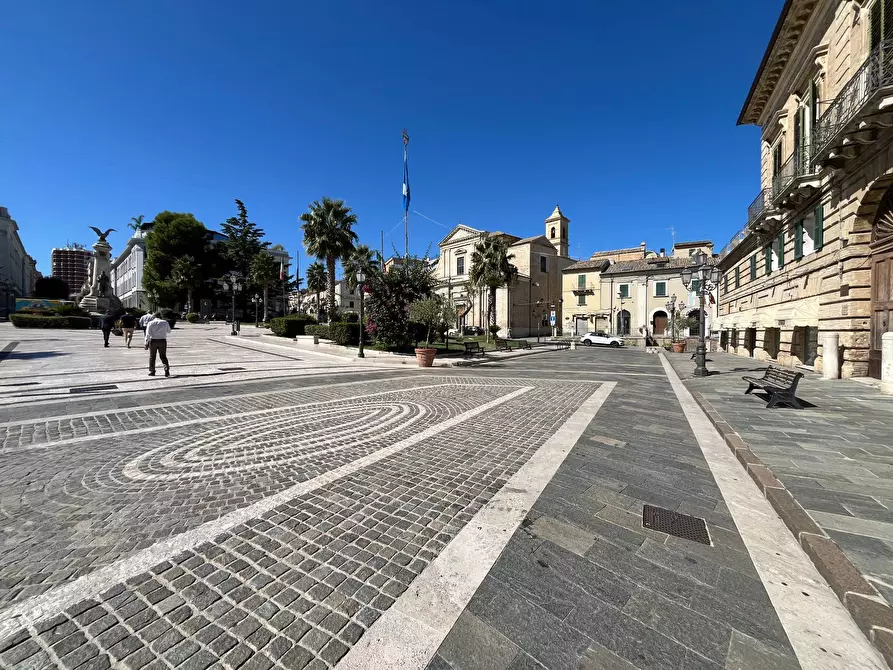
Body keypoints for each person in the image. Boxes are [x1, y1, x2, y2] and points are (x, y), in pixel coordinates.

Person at [144, 312, 171, 377]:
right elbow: (169, 331)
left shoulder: (150, 323)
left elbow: (148, 334)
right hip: (162, 340)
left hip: (153, 341)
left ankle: (152, 371)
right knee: (163, 356)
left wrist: (146, 342)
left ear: (154, 316)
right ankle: (166, 369)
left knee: (152, 357)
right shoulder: (165, 322)